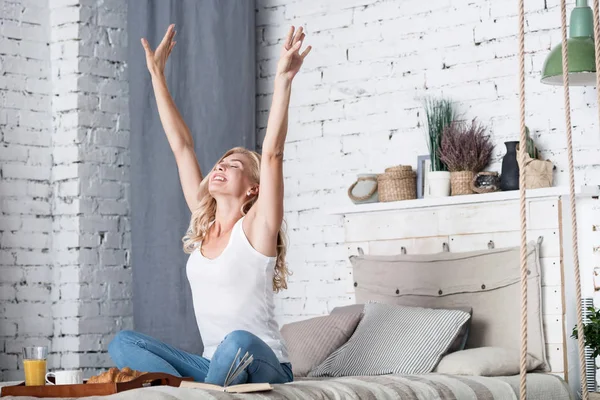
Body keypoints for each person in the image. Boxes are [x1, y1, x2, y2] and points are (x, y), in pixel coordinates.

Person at [108, 23, 311, 386]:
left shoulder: (257, 230)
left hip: (261, 361)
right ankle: (192, 392)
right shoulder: (204, 226)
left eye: (234, 166)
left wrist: (283, 80)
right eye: (221, 161)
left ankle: (196, 394)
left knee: (235, 342)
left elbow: (274, 153)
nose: (221, 166)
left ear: (253, 190)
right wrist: (157, 75)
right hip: (211, 365)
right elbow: (182, 146)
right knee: (124, 343)